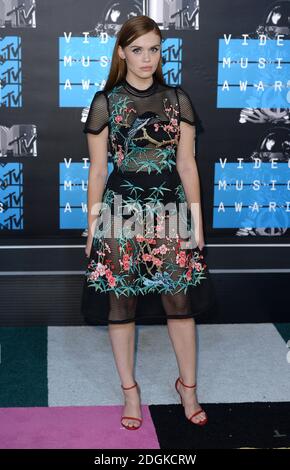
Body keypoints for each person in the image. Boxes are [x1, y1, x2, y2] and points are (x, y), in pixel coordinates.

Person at [83, 15, 210, 430]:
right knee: (121, 306)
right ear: (122, 52)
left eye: (154, 49)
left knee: (180, 304)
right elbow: (98, 172)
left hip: (170, 213)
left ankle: (187, 388)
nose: (146, 58)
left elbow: (187, 164)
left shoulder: (178, 99)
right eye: (137, 49)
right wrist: (92, 227)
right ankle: (130, 392)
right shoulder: (106, 102)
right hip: (119, 215)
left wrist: (197, 222)